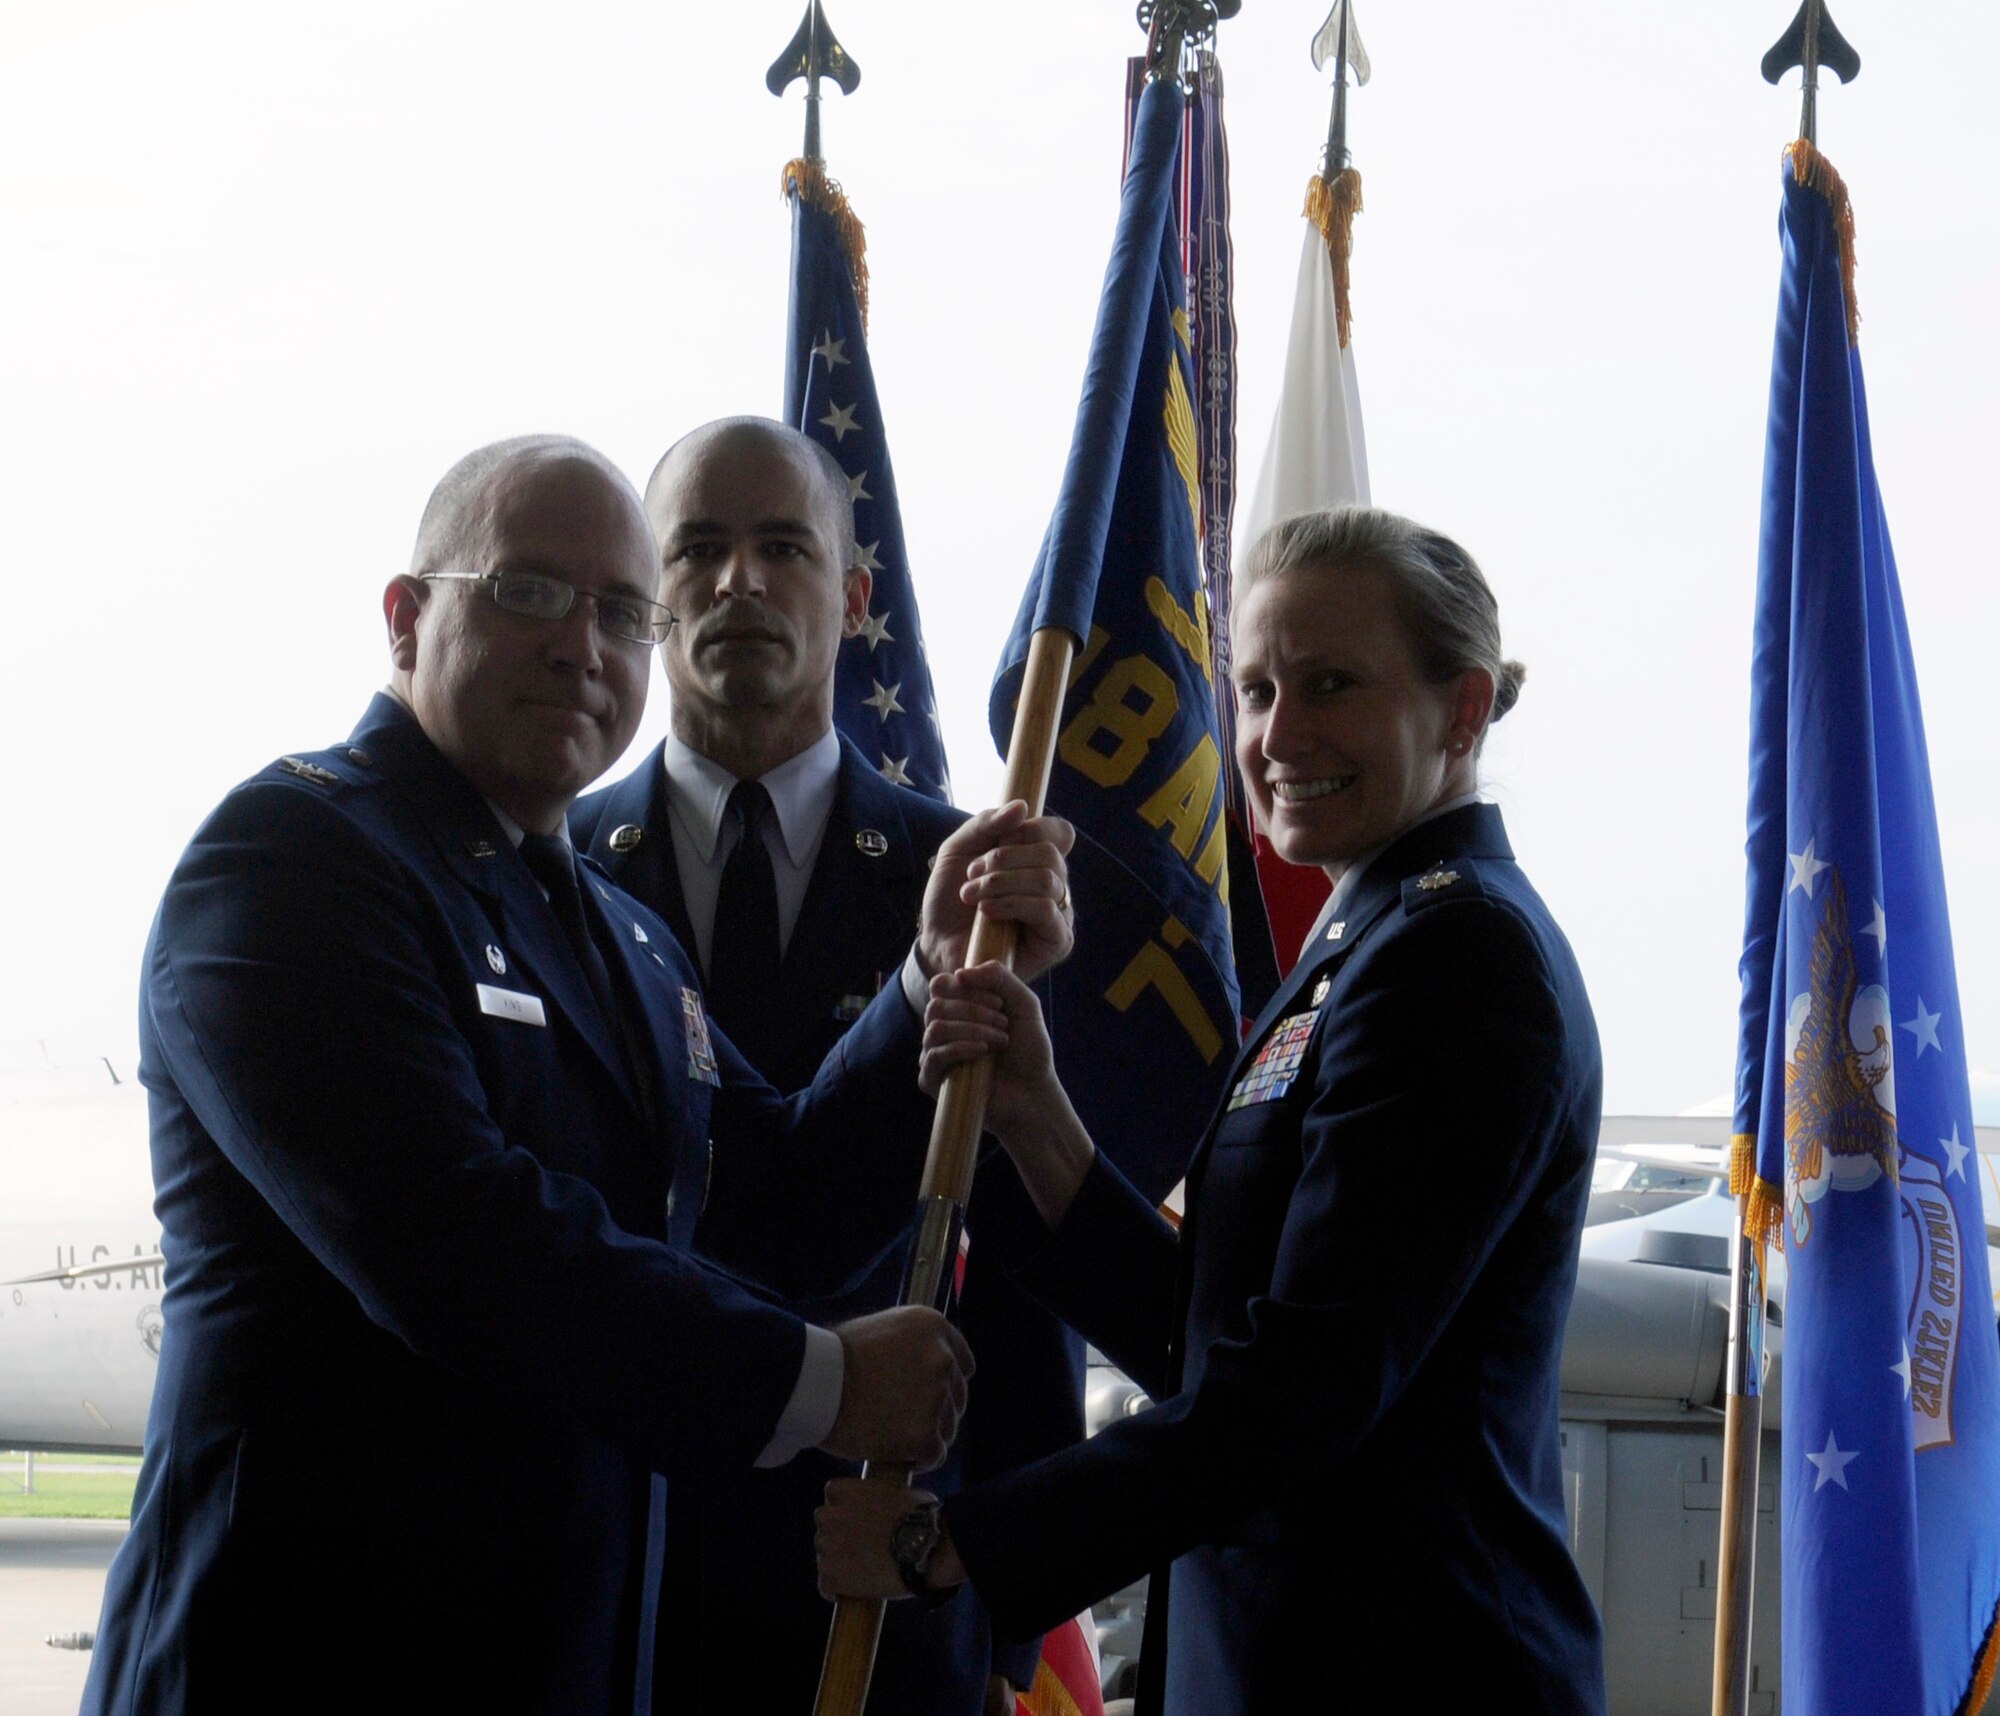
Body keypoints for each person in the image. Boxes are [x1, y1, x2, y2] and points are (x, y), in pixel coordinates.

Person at [83, 434, 1073, 1716]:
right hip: (307, 1653)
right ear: (405, 618)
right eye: (529, 593)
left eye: (619, 613)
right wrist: (821, 1382)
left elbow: (767, 1191)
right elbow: (456, 1244)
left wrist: (922, 979)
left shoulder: (617, 930)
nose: (582, 646)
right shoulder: (295, 861)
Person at [817, 507, 1609, 1715]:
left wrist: (952, 1546)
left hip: (1408, 1667)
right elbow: (1217, 1334)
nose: (1275, 736)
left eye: (1329, 685)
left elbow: (1300, 1394)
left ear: (1460, 710)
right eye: (1250, 691)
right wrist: (1034, 1116)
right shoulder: (1372, 933)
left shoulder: (1456, 961)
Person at [571, 416, 1085, 1715]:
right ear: (643, 592)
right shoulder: (550, 874)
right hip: (615, 1585)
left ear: (854, 596)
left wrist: (1000, 1601)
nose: (740, 583)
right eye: (699, 548)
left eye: (783, 547)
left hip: (879, 1594)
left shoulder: (969, 885)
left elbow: (1020, 1276)